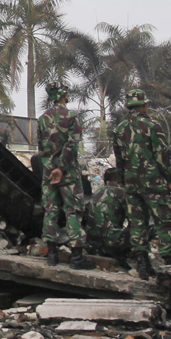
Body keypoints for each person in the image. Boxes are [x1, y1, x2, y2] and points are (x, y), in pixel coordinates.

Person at [110, 89, 171, 279]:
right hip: (154, 183)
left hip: (132, 184)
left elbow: (119, 159)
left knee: (137, 224)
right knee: (164, 222)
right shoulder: (152, 126)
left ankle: (142, 265)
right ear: (144, 105)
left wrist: (123, 180)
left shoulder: (119, 129)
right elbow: (162, 155)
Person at [35, 82, 89, 267]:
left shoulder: (42, 118)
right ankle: (76, 257)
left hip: (48, 173)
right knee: (72, 211)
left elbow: (41, 148)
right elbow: (72, 145)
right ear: (63, 94)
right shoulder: (71, 116)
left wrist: (50, 168)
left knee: (50, 211)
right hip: (67, 174)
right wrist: (62, 167)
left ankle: (51, 255)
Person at [85, 167, 131, 262]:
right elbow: (133, 218)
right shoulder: (121, 193)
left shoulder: (97, 191)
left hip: (92, 240)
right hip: (112, 240)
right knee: (146, 226)